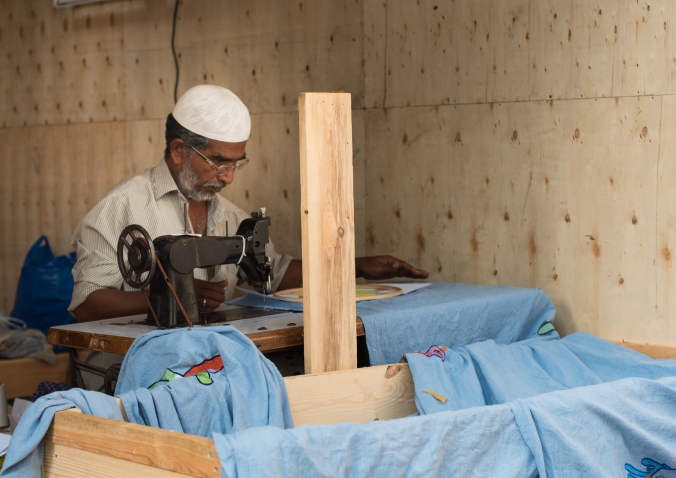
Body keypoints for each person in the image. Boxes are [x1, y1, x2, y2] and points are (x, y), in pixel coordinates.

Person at [69, 84, 427, 323]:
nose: (228, 177)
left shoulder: (228, 215)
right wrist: (173, 297)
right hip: (134, 369)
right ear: (179, 151)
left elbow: (272, 272)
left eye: (236, 163)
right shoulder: (121, 207)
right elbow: (86, 303)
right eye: (217, 162)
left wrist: (358, 266)